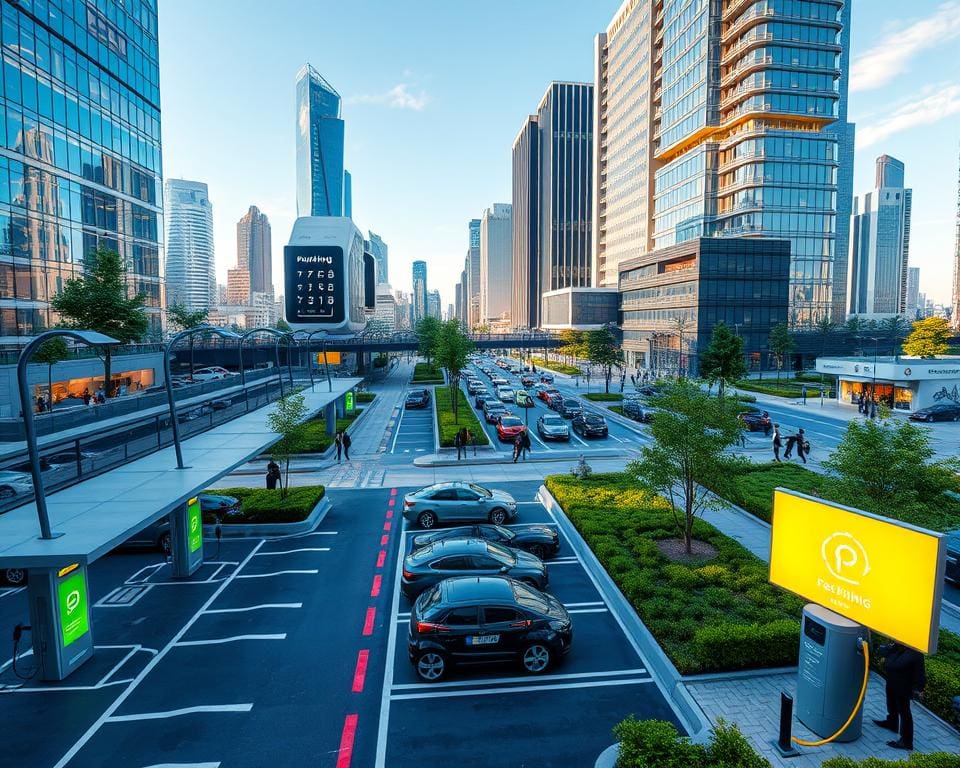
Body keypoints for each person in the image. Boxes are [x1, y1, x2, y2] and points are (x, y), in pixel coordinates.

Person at [874, 642, 925, 750]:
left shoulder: (915, 653)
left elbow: (920, 672)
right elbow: (882, 652)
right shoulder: (898, 645)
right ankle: (892, 723)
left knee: (904, 711)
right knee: (891, 701)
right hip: (892, 679)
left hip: (904, 685)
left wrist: (918, 688)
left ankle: (906, 741)